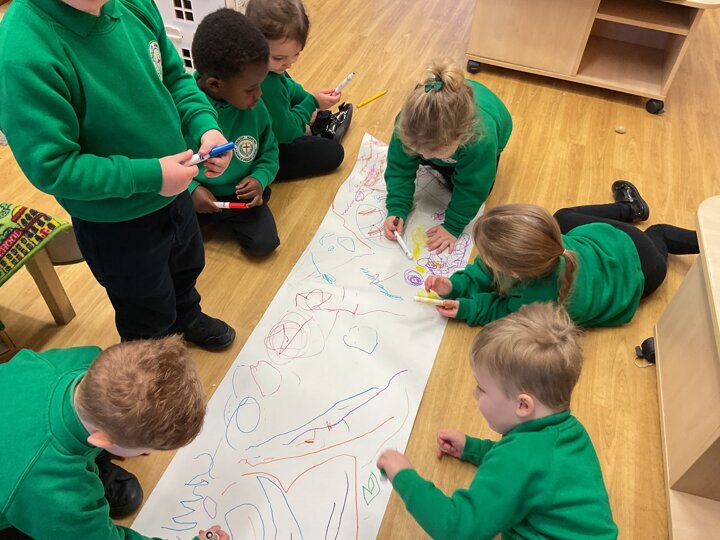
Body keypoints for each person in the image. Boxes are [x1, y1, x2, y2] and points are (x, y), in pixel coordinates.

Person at [0, 0, 236, 350]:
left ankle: (187, 316)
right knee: (145, 313)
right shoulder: (23, 50)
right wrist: (151, 176)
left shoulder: (131, 5)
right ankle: (151, 361)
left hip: (175, 191)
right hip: (114, 223)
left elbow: (173, 77)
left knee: (185, 268)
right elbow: (53, 166)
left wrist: (205, 125)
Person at [377, 303, 618, 540]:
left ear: (523, 405)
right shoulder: (567, 431)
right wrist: (471, 448)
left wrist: (404, 475)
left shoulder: (519, 459)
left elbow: (457, 528)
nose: (474, 394)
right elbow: (528, 470)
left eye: (481, 389)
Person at [0, 336, 230, 540]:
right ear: (102, 441)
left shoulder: (85, 360)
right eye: (145, 449)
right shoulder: (56, 491)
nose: (147, 453)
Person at [426, 181, 699, 327]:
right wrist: (454, 286)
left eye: (486, 254)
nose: (481, 257)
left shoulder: (536, 303)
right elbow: (485, 271)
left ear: (513, 272)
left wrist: (466, 309)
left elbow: (497, 311)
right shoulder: (540, 253)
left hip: (643, 271)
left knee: (659, 233)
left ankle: (707, 243)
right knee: (563, 217)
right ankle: (629, 209)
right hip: (611, 239)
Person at [383, 59, 512, 254]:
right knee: (417, 154)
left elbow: (472, 189)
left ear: (462, 136)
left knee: (473, 186)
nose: (424, 157)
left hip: (488, 134)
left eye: (434, 153)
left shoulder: (480, 139)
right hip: (447, 139)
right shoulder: (409, 124)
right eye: (418, 150)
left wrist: (452, 226)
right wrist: (397, 206)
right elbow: (399, 166)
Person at [190, 9, 280, 257]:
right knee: (171, 249)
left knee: (265, 243)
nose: (259, 94)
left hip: (239, 197)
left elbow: (269, 149)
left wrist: (260, 178)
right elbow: (167, 160)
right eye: (251, 88)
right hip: (197, 197)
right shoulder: (184, 109)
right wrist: (191, 190)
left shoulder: (255, 106)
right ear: (215, 85)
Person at [245, 0, 350, 181]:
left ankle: (314, 119)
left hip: (264, 124)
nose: (289, 63)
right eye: (279, 57)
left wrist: (307, 100)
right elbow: (286, 134)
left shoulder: (262, 62)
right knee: (334, 153)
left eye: (296, 54)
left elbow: (287, 85)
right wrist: (311, 104)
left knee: (280, 73)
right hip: (256, 155)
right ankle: (314, 122)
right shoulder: (264, 83)